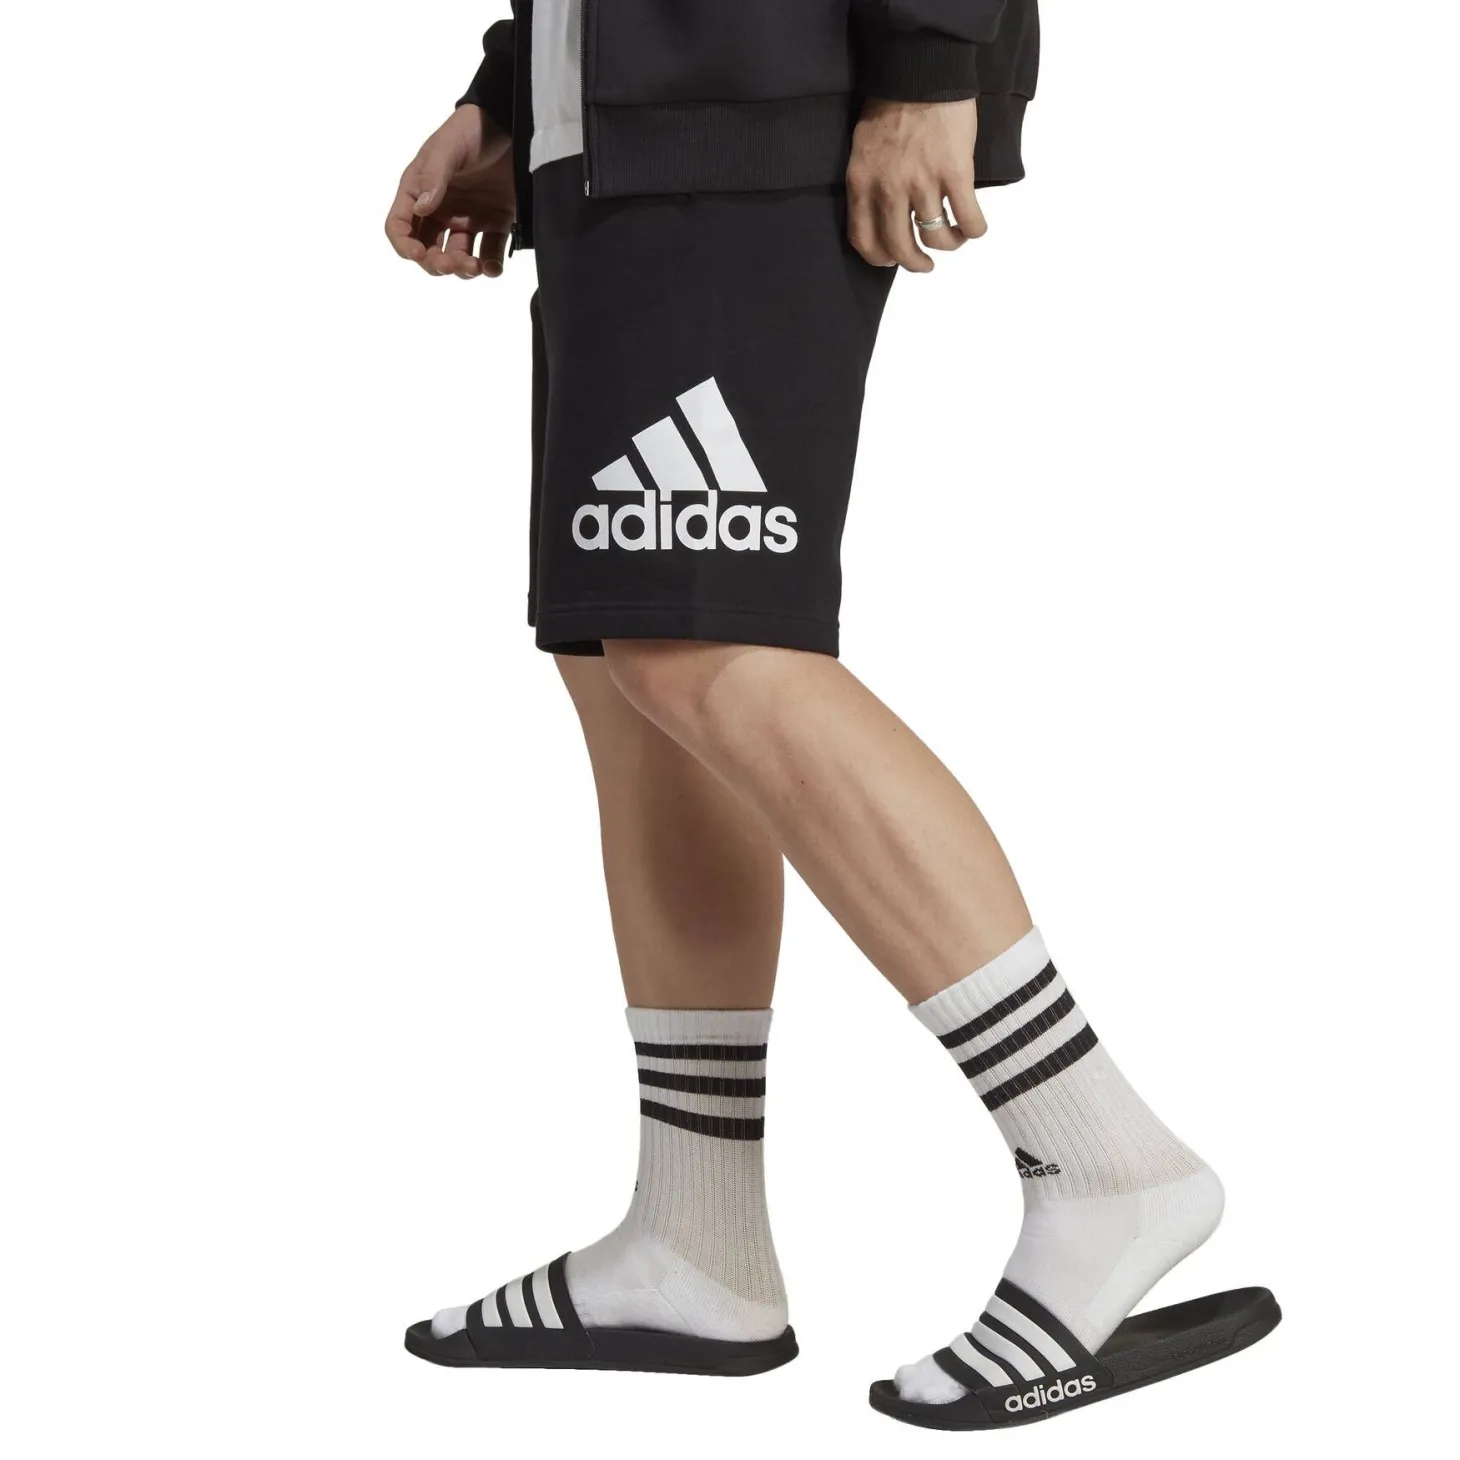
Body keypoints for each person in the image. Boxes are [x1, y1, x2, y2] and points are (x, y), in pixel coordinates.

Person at [385, 1, 1276, 1429]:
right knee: (633, 665)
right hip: (619, 121)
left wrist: (927, 60)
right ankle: (695, 1239)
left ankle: (1104, 1159)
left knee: (711, 648)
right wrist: (515, 91)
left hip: (750, 92)